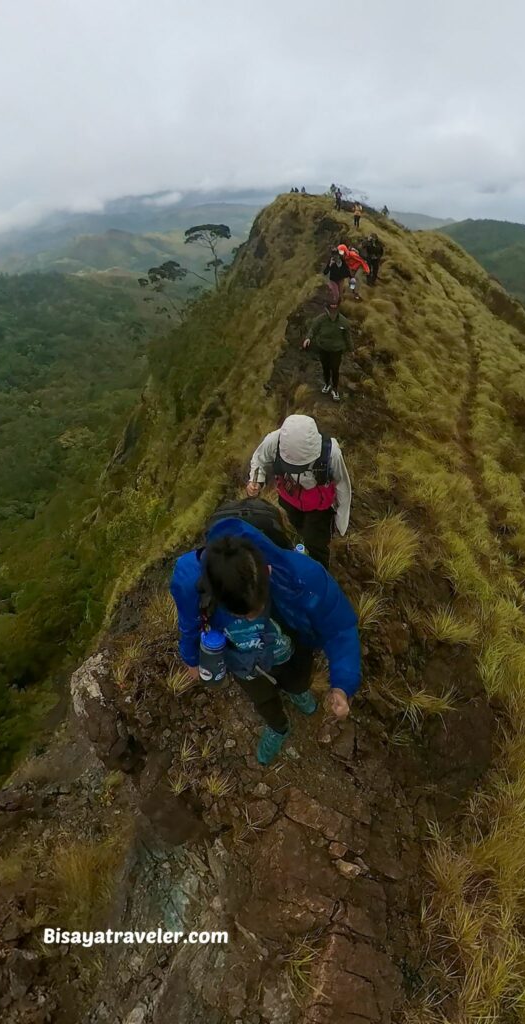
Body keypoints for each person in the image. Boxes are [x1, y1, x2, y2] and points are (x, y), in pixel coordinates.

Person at [170, 515, 360, 765]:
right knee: (263, 700)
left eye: (257, 608)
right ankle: (278, 726)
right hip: (243, 664)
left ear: (267, 570)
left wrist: (342, 685)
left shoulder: (303, 577)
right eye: (241, 613)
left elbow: (340, 628)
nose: (251, 618)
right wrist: (191, 659)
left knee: (298, 681)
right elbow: (189, 623)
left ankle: (298, 692)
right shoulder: (189, 582)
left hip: (292, 653)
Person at [246, 413, 352, 566]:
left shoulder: (331, 453)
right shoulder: (274, 442)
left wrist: (341, 522)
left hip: (319, 507)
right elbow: (259, 459)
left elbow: (342, 484)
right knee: (298, 523)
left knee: (315, 541)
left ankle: (320, 569)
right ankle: (304, 539)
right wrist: (256, 481)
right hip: (289, 499)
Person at [301, 298, 353, 404]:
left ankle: (335, 388)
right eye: (331, 306)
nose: (333, 309)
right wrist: (308, 338)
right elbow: (313, 329)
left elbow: (348, 337)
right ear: (327, 307)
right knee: (325, 367)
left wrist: (351, 349)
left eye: (335, 306)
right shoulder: (320, 319)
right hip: (323, 348)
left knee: (335, 369)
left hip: (337, 350)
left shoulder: (344, 322)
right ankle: (327, 384)